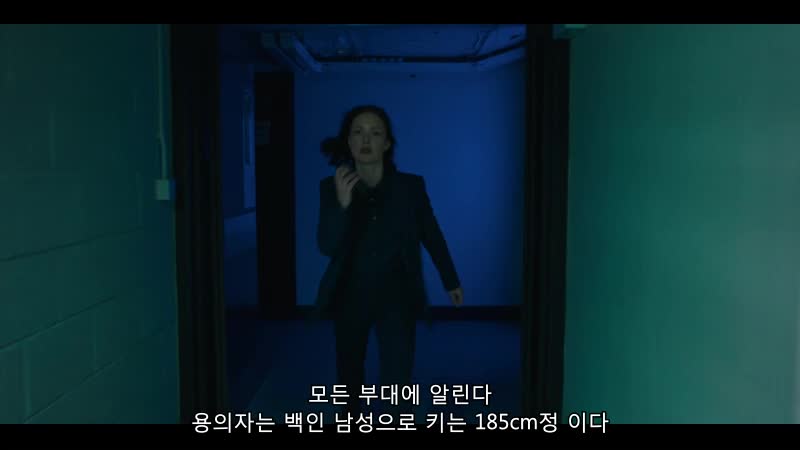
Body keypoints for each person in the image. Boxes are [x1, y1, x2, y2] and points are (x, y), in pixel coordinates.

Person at [315, 105, 463, 418]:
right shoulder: (331, 187)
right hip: (350, 294)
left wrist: (450, 280)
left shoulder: (411, 187)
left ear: (387, 143)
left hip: (397, 294)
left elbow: (432, 235)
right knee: (349, 376)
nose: (366, 139)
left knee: (398, 377)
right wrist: (342, 206)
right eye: (358, 132)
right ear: (349, 142)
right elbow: (326, 246)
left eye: (375, 132)